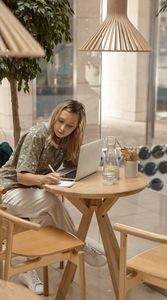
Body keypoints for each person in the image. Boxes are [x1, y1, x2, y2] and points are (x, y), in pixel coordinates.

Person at [0, 99, 106, 295]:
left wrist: (85, 163)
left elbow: (69, 163)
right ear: (55, 115)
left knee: (47, 217)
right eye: (60, 121)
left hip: (28, 191)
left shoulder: (65, 139)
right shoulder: (36, 135)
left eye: (70, 126)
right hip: (6, 190)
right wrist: (43, 179)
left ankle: (28, 267)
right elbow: (21, 176)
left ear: (76, 127)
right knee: (49, 201)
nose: (62, 128)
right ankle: (80, 242)